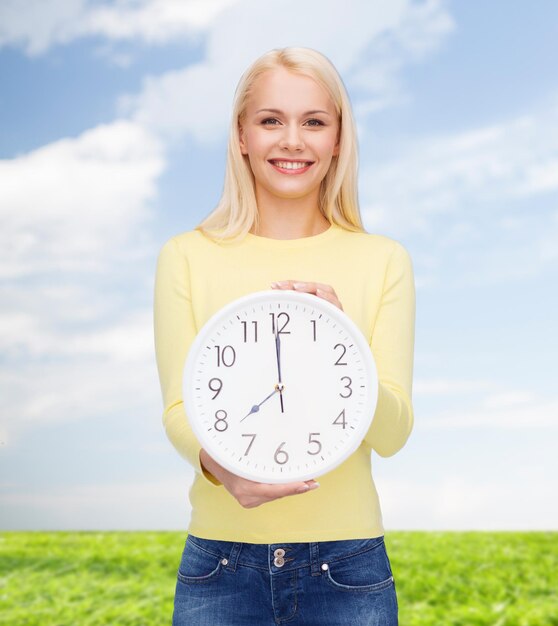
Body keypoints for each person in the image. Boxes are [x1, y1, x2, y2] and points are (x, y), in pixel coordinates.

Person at [153, 46, 415, 626]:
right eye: (271, 120)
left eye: (314, 122)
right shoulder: (186, 256)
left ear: (339, 140)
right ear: (242, 135)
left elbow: (393, 434)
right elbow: (179, 409)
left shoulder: (383, 260)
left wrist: (346, 347)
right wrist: (222, 471)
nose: (292, 140)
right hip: (219, 567)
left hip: (348, 568)